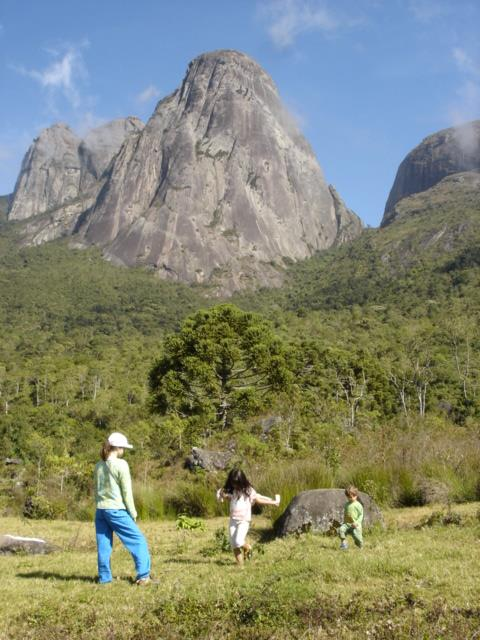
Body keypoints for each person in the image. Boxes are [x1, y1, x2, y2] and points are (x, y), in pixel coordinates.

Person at [94, 432, 151, 585]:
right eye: (123, 448)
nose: (124, 451)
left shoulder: (98, 465)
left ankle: (104, 578)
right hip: (116, 510)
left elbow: (96, 489)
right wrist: (133, 512)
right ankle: (143, 575)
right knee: (138, 540)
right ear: (118, 448)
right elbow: (127, 492)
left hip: (100, 510)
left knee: (104, 546)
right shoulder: (121, 464)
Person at [216, 468, 280, 566]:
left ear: (242, 481)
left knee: (238, 541)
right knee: (234, 544)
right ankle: (240, 566)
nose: (235, 485)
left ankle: (247, 547)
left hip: (244, 520)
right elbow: (228, 498)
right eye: (233, 483)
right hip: (233, 519)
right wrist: (222, 496)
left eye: (237, 483)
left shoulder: (249, 490)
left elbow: (258, 499)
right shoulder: (232, 490)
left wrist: (273, 502)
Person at [338, 485, 364, 550]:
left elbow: (361, 515)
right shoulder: (346, 504)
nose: (351, 498)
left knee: (357, 537)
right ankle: (344, 543)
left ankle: (360, 546)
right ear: (347, 496)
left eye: (353, 496)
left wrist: (357, 523)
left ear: (356, 495)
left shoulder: (358, 505)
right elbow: (346, 513)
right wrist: (344, 521)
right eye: (349, 497)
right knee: (341, 530)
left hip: (355, 525)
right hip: (346, 524)